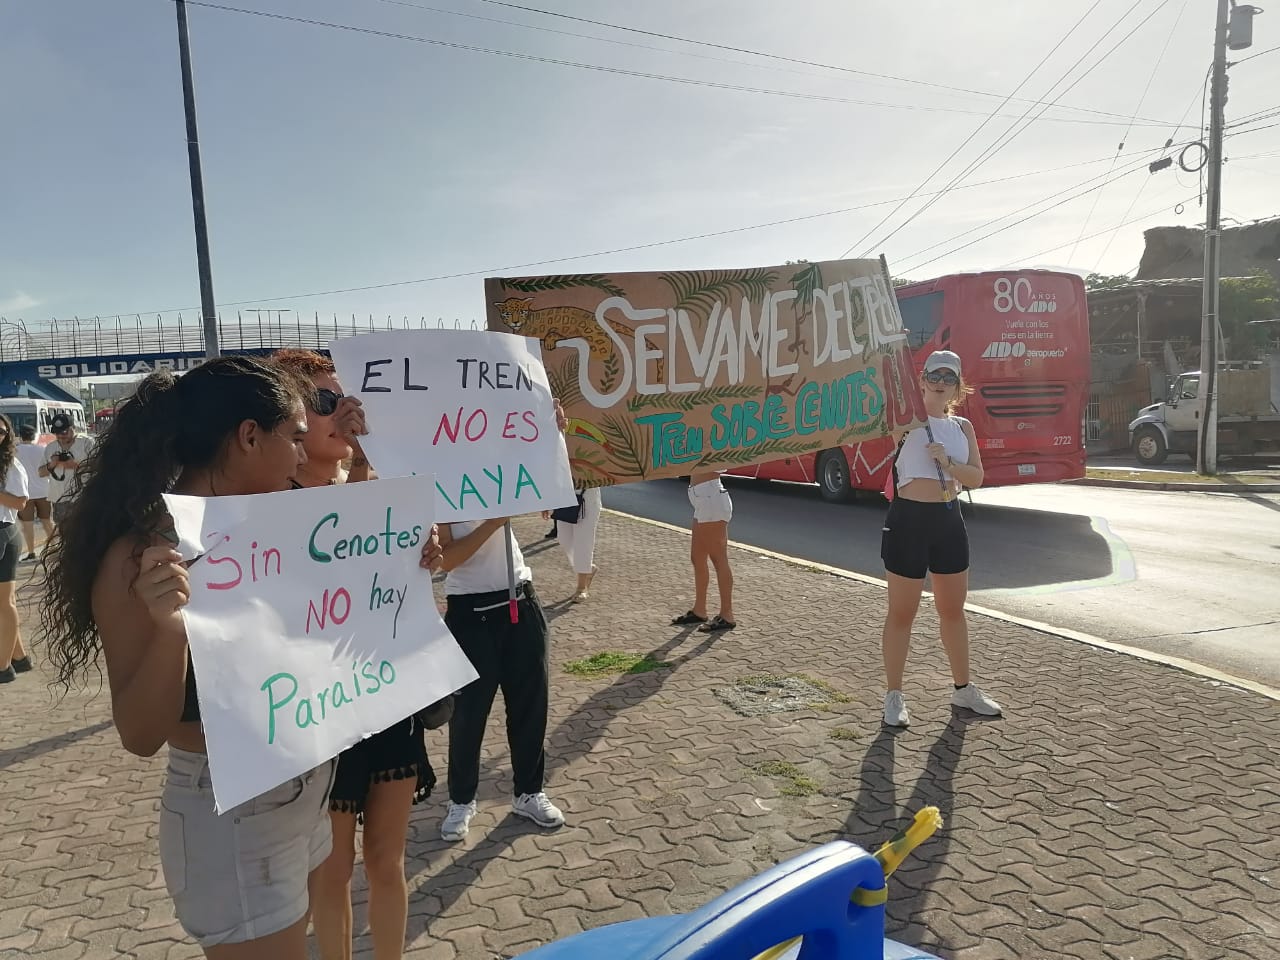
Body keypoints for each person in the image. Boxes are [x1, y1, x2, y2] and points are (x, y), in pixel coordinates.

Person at [39, 356, 442, 959]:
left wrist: (405, 556)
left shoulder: (275, 523)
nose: (302, 458)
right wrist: (172, 628)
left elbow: (344, 597)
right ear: (249, 438)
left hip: (303, 784)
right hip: (230, 808)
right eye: (294, 440)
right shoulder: (144, 554)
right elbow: (141, 733)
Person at [272, 349, 432, 960]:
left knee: (388, 863)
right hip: (320, 712)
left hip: (385, 700)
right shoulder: (268, 500)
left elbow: (388, 581)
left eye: (345, 398)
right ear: (288, 416)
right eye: (323, 403)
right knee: (331, 871)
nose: (345, 412)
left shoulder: (377, 488)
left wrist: (423, 555)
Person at [879, 350, 1002, 728]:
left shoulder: (962, 427)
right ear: (922, 378)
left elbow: (977, 477)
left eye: (949, 377)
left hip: (949, 519)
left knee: (953, 610)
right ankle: (894, 695)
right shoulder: (905, 420)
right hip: (909, 520)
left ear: (957, 385)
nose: (940, 381)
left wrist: (949, 463)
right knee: (903, 613)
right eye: (934, 374)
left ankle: (963, 688)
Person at [437, 516, 564, 841]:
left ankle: (529, 792)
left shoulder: (500, 472)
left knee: (530, 707)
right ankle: (461, 800)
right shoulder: (441, 486)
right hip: (469, 612)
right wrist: (492, 523)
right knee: (467, 715)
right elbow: (446, 560)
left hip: (520, 602)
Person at [670, 470, 736, 632]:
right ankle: (699, 610)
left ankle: (727, 615)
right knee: (697, 557)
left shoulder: (715, 445)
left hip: (711, 499)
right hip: (703, 500)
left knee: (718, 559)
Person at [0, 415, 30, 684]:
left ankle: (3, 667)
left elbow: (20, 503)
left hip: (3, 533)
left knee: (4, 601)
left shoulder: (11, 465)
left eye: (0, 431)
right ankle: (19, 658)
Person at [40, 412, 93, 526]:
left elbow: (99, 466)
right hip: (60, 499)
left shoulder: (87, 443)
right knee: (64, 535)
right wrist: (53, 464)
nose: (61, 436)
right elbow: (40, 473)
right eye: (57, 433)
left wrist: (75, 465)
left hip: (83, 497)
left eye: (64, 432)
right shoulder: (51, 447)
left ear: (73, 428)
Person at [550, 486, 601, 602]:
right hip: (564, 496)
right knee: (563, 538)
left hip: (588, 498)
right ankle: (588, 568)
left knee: (583, 542)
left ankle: (581, 588)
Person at [16, 424, 53, 561]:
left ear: (20, 436)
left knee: (27, 524)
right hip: (44, 490)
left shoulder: (15, 451)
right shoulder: (42, 449)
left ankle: (31, 552)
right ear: (34, 436)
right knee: (47, 522)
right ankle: (54, 548)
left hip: (25, 492)